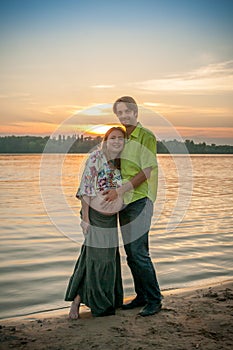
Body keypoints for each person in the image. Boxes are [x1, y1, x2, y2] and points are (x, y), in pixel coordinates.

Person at [103, 96, 162, 317]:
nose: (124, 115)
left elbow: (146, 171)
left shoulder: (146, 136)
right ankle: (142, 295)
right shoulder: (122, 137)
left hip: (140, 199)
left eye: (127, 111)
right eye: (120, 113)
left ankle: (155, 300)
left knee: (139, 252)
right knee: (131, 253)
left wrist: (120, 190)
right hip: (124, 202)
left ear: (136, 112)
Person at [65, 127, 126, 318]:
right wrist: (85, 220)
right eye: (113, 138)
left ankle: (81, 300)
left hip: (111, 218)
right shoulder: (95, 158)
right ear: (106, 140)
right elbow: (85, 189)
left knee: (101, 259)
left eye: (120, 138)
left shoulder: (120, 162)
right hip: (95, 216)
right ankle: (92, 304)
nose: (117, 141)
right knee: (98, 260)